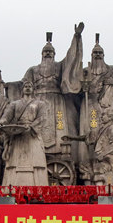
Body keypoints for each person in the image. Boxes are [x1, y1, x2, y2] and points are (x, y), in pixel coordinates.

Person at [14, 24, 84, 163]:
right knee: (38, 126)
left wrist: (76, 37)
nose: (48, 53)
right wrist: (8, 86)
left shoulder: (59, 66)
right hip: (37, 100)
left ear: (54, 54)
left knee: (59, 127)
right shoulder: (33, 69)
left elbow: (71, 58)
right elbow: (22, 84)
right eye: (45, 51)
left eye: (50, 52)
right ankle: (36, 151)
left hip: (56, 100)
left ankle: (59, 152)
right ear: (41, 54)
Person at [79, 35, 113, 184]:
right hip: (91, 105)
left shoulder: (111, 69)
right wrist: (85, 87)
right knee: (91, 135)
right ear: (91, 55)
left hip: (108, 105)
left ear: (103, 55)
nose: (98, 55)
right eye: (95, 53)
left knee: (111, 135)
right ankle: (90, 172)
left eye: (100, 53)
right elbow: (77, 88)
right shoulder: (86, 70)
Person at [0, 80, 49, 186]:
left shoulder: (40, 104)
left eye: (30, 85)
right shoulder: (14, 104)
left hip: (32, 135)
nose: (28, 87)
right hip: (17, 135)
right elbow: (6, 117)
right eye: (25, 86)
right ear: (22, 89)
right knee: (14, 163)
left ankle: (38, 188)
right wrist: (1, 123)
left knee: (36, 163)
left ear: (33, 89)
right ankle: (11, 188)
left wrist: (31, 127)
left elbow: (42, 118)